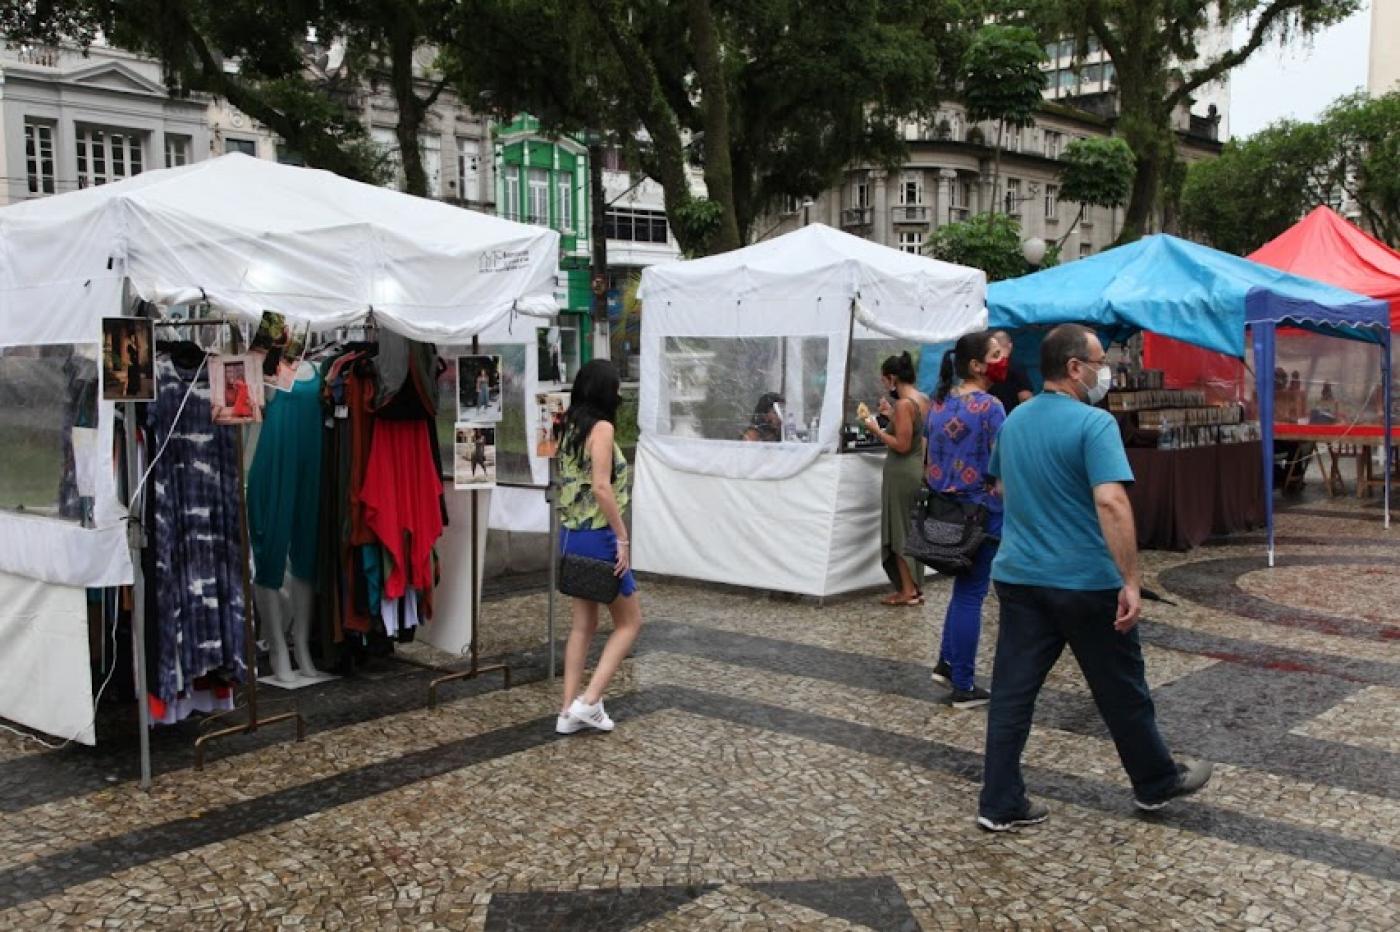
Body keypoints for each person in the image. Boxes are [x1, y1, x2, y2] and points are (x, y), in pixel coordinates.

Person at [977, 323, 1212, 832]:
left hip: (1020, 577)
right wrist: (1130, 578)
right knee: (1121, 688)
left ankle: (999, 801)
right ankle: (1154, 783)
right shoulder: (1094, 424)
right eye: (1100, 362)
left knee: (1013, 694)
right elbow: (1111, 501)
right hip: (1084, 581)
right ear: (1074, 368)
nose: (1106, 371)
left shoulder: (1014, 421)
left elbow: (998, 488)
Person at [556, 359, 644, 734]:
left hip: (571, 534)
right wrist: (622, 536)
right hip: (599, 535)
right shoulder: (602, 428)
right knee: (629, 622)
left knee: (583, 625)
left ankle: (565, 711)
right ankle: (590, 701)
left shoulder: (568, 425)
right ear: (606, 391)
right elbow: (602, 487)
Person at [924, 332, 1008, 707]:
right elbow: (1002, 465)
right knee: (972, 594)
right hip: (982, 513)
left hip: (945, 512)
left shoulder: (938, 405)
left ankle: (946, 662)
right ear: (977, 365)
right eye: (995, 354)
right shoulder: (990, 407)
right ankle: (964, 684)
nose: (1002, 359)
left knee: (961, 590)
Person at [862, 352, 930, 606]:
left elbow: (901, 444)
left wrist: (876, 430)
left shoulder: (903, 404)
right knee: (912, 529)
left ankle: (907, 591)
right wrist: (891, 415)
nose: (884, 385)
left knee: (899, 530)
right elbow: (915, 432)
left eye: (884, 380)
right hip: (916, 468)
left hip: (901, 471)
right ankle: (914, 586)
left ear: (892, 378)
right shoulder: (921, 399)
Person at [988, 330, 1033, 414]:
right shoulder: (1017, 366)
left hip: (991, 416)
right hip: (1011, 417)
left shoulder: (986, 367)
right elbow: (1025, 397)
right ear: (1010, 345)